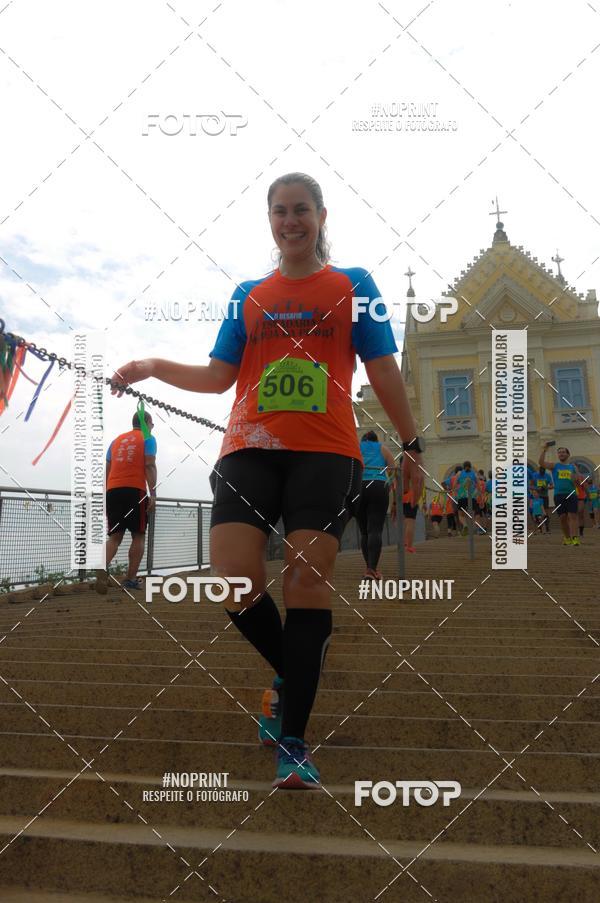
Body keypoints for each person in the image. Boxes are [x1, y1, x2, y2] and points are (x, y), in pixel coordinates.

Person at [110, 172, 424, 791]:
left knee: (306, 579)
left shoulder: (354, 285)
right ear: (270, 221)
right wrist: (150, 365)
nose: (291, 221)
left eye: (301, 210)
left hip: (327, 453)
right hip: (248, 447)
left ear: (321, 216)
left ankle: (295, 741)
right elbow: (217, 375)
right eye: (279, 212)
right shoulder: (248, 295)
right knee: (233, 579)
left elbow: (382, 365)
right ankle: (293, 671)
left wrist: (411, 439)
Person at [96, 409, 157, 593]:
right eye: (152, 424)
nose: (152, 427)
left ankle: (101, 565)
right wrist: (153, 493)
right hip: (135, 490)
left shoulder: (116, 441)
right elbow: (149, 465)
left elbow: (107, 468)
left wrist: (107, 492)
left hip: (113, 490)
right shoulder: (148, 439)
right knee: (138, 534)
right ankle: (130, 579)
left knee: (115, 536)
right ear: (146, 423)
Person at [357, 431, 395, 578]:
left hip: (359, 486)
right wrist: (389, 484)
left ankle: (369, 568)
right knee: (375, 530)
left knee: (364, 531)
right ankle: (372, 569)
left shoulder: (356, 447)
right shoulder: (383, 448)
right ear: (376, 439)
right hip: (378, 486)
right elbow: (392, 469)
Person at [538, 443, 582, 546]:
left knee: (573, 516)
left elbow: (578, 482)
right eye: (559, 452)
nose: (561, 454)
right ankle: (567, 538)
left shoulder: (572, 467)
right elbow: (541, 462)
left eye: (563, 452)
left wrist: (576, 478)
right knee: (562, 517)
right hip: (559, 495)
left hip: (571, 494)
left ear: (568, 454)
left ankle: (575, 538)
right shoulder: (555, 466)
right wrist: (544, 450)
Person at [529, 465, 552, 533]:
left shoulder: (547, 475)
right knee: (536, 513)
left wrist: (546, 488)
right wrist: (537, 489)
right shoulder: (534, 475)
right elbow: (530, 486)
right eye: (541, 470)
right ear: (539, 469)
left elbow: (552, 485)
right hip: (536, 497)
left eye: (544, 470)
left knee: (546, 512)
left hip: (545, 496)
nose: (542, 472)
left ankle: (547, 527)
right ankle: (539, 528)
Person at [455, 461, 475, 536]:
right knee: (471, 514)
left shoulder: (459, 473)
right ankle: (471, 530)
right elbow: (478, 485)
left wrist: (454, 493)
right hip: (472, 497)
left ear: (463, 466)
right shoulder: (473, 474)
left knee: (460, 515)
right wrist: (480, 495)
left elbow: (454, 484)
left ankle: (465, 525)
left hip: (461, 496)